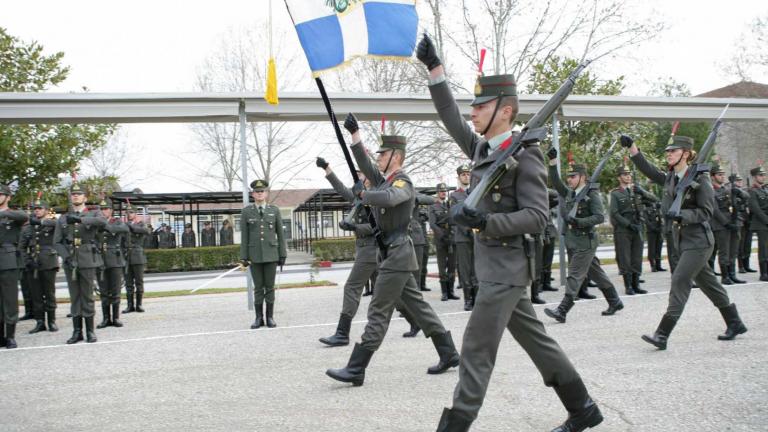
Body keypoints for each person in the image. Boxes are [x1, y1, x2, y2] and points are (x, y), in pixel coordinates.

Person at [419, 34, 603, 431]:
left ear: (506, 111)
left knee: (475, 349)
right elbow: (451, 118)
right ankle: (583, 408)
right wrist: (436, 74)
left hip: (506, 266)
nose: (473, 113)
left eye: (481, 106)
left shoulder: (527, 155)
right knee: (539, 343)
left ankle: (455, 425)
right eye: (474, 106)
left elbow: (538, 216)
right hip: (494, 266)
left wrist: (486, 222)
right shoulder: (485, 150)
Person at [325, 113, 460, 387]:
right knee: (419, 308)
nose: (378, 159)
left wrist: (364, 195)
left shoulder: (402, 182)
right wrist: (355, 136)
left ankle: (356, 368)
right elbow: (363, 163)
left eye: (382, 154)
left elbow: (389, 198)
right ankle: (449, 353)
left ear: (395, 156)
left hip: (397, 254)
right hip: (391, 253)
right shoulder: (384, 179)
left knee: (378, 310)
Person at [624, 134, 747, 349]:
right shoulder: (672, 178)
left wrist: (682, 216)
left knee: (680, 280)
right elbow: (649, 170)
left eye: (674, 151)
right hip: (683, 241)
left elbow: (707, 212)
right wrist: (633, 148)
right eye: (668, 151)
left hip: (699, 241)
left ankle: (662, 335)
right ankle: (734, 322)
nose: (669, 154)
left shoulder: (701, 179)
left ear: (686, 154)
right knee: (709, 285)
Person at [544, 157, 624, 323]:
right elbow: (557, 183)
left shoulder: (591, 194)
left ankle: (562, 310)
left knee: (574, 275)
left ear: (582, 177)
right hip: (573, 241)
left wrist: (579, 222)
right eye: (569, 177)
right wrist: (552, 163)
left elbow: (599, 217)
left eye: (573, 177)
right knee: (596, 272)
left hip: (585, 241)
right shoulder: (571, 194)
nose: (569, 180)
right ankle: (615, 301)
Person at [316, 159, 377, 347]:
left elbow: (379, 226)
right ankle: (421, 325)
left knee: (351, 287)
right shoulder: (360, 196)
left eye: (360, 173)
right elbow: (341, 188)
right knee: (400, 293)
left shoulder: (376, 195)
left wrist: (355, 227)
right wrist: (327, 169)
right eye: (356, 174)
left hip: (371, 250)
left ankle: (342, 333)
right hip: (370, 251)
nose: (357, 176)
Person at [53, 181, 107, 344]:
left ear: (85, 197)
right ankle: (77, 331)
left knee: (87, 296)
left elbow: (103, 223)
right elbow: (57, 241)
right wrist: (66, 257)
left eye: (79, 194)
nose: (75, 196)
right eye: (73, 194)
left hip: (87, 259)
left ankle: (90, 331)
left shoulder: (93, 214)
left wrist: (80, 220)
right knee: (75, 296)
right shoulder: (63, 218)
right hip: (71, 260)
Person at [240, 179, 287, 329]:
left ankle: (270, 317)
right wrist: (244, 257)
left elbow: (280, 234)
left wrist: (282, 254)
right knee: (258, 287)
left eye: (262, 191)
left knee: (270, 287)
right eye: (257, 191)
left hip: (271, 254)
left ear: (266, 193)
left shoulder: (274, 210)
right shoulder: (247, 211)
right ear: (253, 194)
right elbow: (244, 237)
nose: (260, 194)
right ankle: (258, 318)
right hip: (254, 256)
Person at [609, 165, 654, 295]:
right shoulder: (616, 193)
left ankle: (636, 284)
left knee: (637, 257)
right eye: (624, 174)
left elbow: (655, 200)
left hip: (638, 228)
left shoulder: (636, 190)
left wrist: (642, 192)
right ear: (619, 178)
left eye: (628, 174)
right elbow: (615, 213)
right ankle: (628, 286)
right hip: (624, 230)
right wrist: (628, 224)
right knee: (625, 258)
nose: (628, 176)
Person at [20, 197, 60, 334]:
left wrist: (42, 221)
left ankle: (52, 321)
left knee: (49, 293)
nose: (37, 211)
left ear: (47, 211)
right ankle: (40, 322)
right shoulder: (28, 227)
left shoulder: (51, 223)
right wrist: (27, 261)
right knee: (36, 295)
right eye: (35, 209)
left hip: (48, 262)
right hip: (33, 263)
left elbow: (59, 224)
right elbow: (21, 247)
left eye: (40, 209)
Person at [0, 184, 29, 349]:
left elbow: (23, 217)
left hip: (8, 260)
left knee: (10, 300)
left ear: (8, 197)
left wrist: (4, 213)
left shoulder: (13, 215)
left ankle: (10, 335)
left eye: (1, 194)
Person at [449, 164, 479, 310]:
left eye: (468, 174)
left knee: (477, 269)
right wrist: (468, 228)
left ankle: (478, 298)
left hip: (477, 236)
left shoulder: (475, 192)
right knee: (466, 269)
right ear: (459, 177)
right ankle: (468, 299)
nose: (466, 176)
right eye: (463, 174)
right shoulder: (454, 196)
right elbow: (455, 216)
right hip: (462, 237)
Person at [710, 165, 746, 285]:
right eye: (719, 174)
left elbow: (746, 198)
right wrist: (726, 223)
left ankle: (732, 274)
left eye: (723, 174)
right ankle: (725, 276)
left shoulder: (729, 189)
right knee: (724, 251)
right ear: (713, 176)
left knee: (733, 250)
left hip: (734, 222)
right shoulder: (711, 191)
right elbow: (715, 210)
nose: (722, 176)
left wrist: (738, 192)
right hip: (721, 225)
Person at [96, 198, 129, 328]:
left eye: (106, 209)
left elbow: (124, 229)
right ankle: (105, 318)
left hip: (115, 259)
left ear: (111, 210)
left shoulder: (117, 221)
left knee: (115, 290)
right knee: (103, 291)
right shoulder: (96, 223)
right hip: (101, 259)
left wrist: (105, 225)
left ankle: (115, 318)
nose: (104, 211)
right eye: (102, 209)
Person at [429, 183, 459, 301]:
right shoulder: (433, 206)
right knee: (442, 267)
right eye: (441, 191)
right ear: (437, 192)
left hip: (452, 238)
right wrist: (442, 235)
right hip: (441, 239)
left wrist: (452, 234)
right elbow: (432, 223)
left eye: (444, 191)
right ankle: (444, 293)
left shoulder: (450, 205)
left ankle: (451, 291)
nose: (443, 193)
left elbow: (455, 221)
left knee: (452, 266)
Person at [125, 204, 150, 313]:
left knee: (139, 282)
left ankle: (139, 305)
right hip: (127, 256)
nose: (129, 214)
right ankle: (130, 305)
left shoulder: (141, 224)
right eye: (128, 212)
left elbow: (145, 231)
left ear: (135, 214)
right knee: (128, 283)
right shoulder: (124, 225)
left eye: (131, 212)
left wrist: (131, 226)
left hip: (137, 255)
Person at [748, 166, 768, 281]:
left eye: (764, 175)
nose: (763, 177)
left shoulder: (765, 189)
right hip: (761, 223)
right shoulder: (752, 191)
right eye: (761, 175)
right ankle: (763, 273)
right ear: (755, 177)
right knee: (763, 248)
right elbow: (756, 209)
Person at [643, 183, 666, 272]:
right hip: (651, 231)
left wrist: (660, 227)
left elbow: (661, 217)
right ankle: (653, 265)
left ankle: (658, 264)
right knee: (651, 248)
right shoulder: (646, 209)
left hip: (658, 229)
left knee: (658, 247)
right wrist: (652, 227)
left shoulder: (657, 207)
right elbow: (646, 220)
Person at [734, 175, 755, 273]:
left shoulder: (744, 192)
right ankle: (741, 266)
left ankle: (747, 264)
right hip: (740, 220)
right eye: (737, 181)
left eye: (740, 180)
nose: (739, 182)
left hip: (748, 220)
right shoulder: (733, 193)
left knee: (748, 244)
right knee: (740, 244)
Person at [540, 189, 560, 293]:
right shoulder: (532, 197)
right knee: (539, 260)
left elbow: (557, 195)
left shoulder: (546, 199)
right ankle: (538, 284)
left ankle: (546, 283)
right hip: (538, 232)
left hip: (550, 231)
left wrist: (542, 188)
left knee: (548, 259)